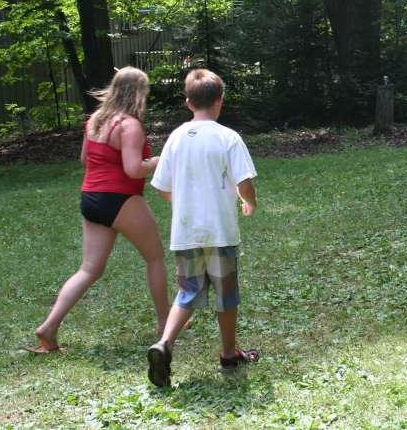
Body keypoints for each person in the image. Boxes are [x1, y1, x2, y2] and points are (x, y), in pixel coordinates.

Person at [28, 67, 170, 353]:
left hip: (91, 199)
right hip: (120, 198)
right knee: (155, 258)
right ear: (139, 93)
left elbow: (85, 159)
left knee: (89, 268)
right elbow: (134, 170)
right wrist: (158, 160)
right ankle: (165, 323)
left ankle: (49, 327)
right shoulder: (130, 126)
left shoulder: (95, 120)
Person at [146, 68, 259, 387]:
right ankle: (228, 354)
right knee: (226, 294)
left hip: (186, 232)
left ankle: (164, 344)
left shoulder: (176, 138)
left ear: (188, 102)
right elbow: (244, 182)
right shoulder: (228, 137)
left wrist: (183, 203)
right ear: (220, 100)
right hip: (220, 232)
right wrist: (250, 202)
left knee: (188, 292)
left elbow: (161, 185)